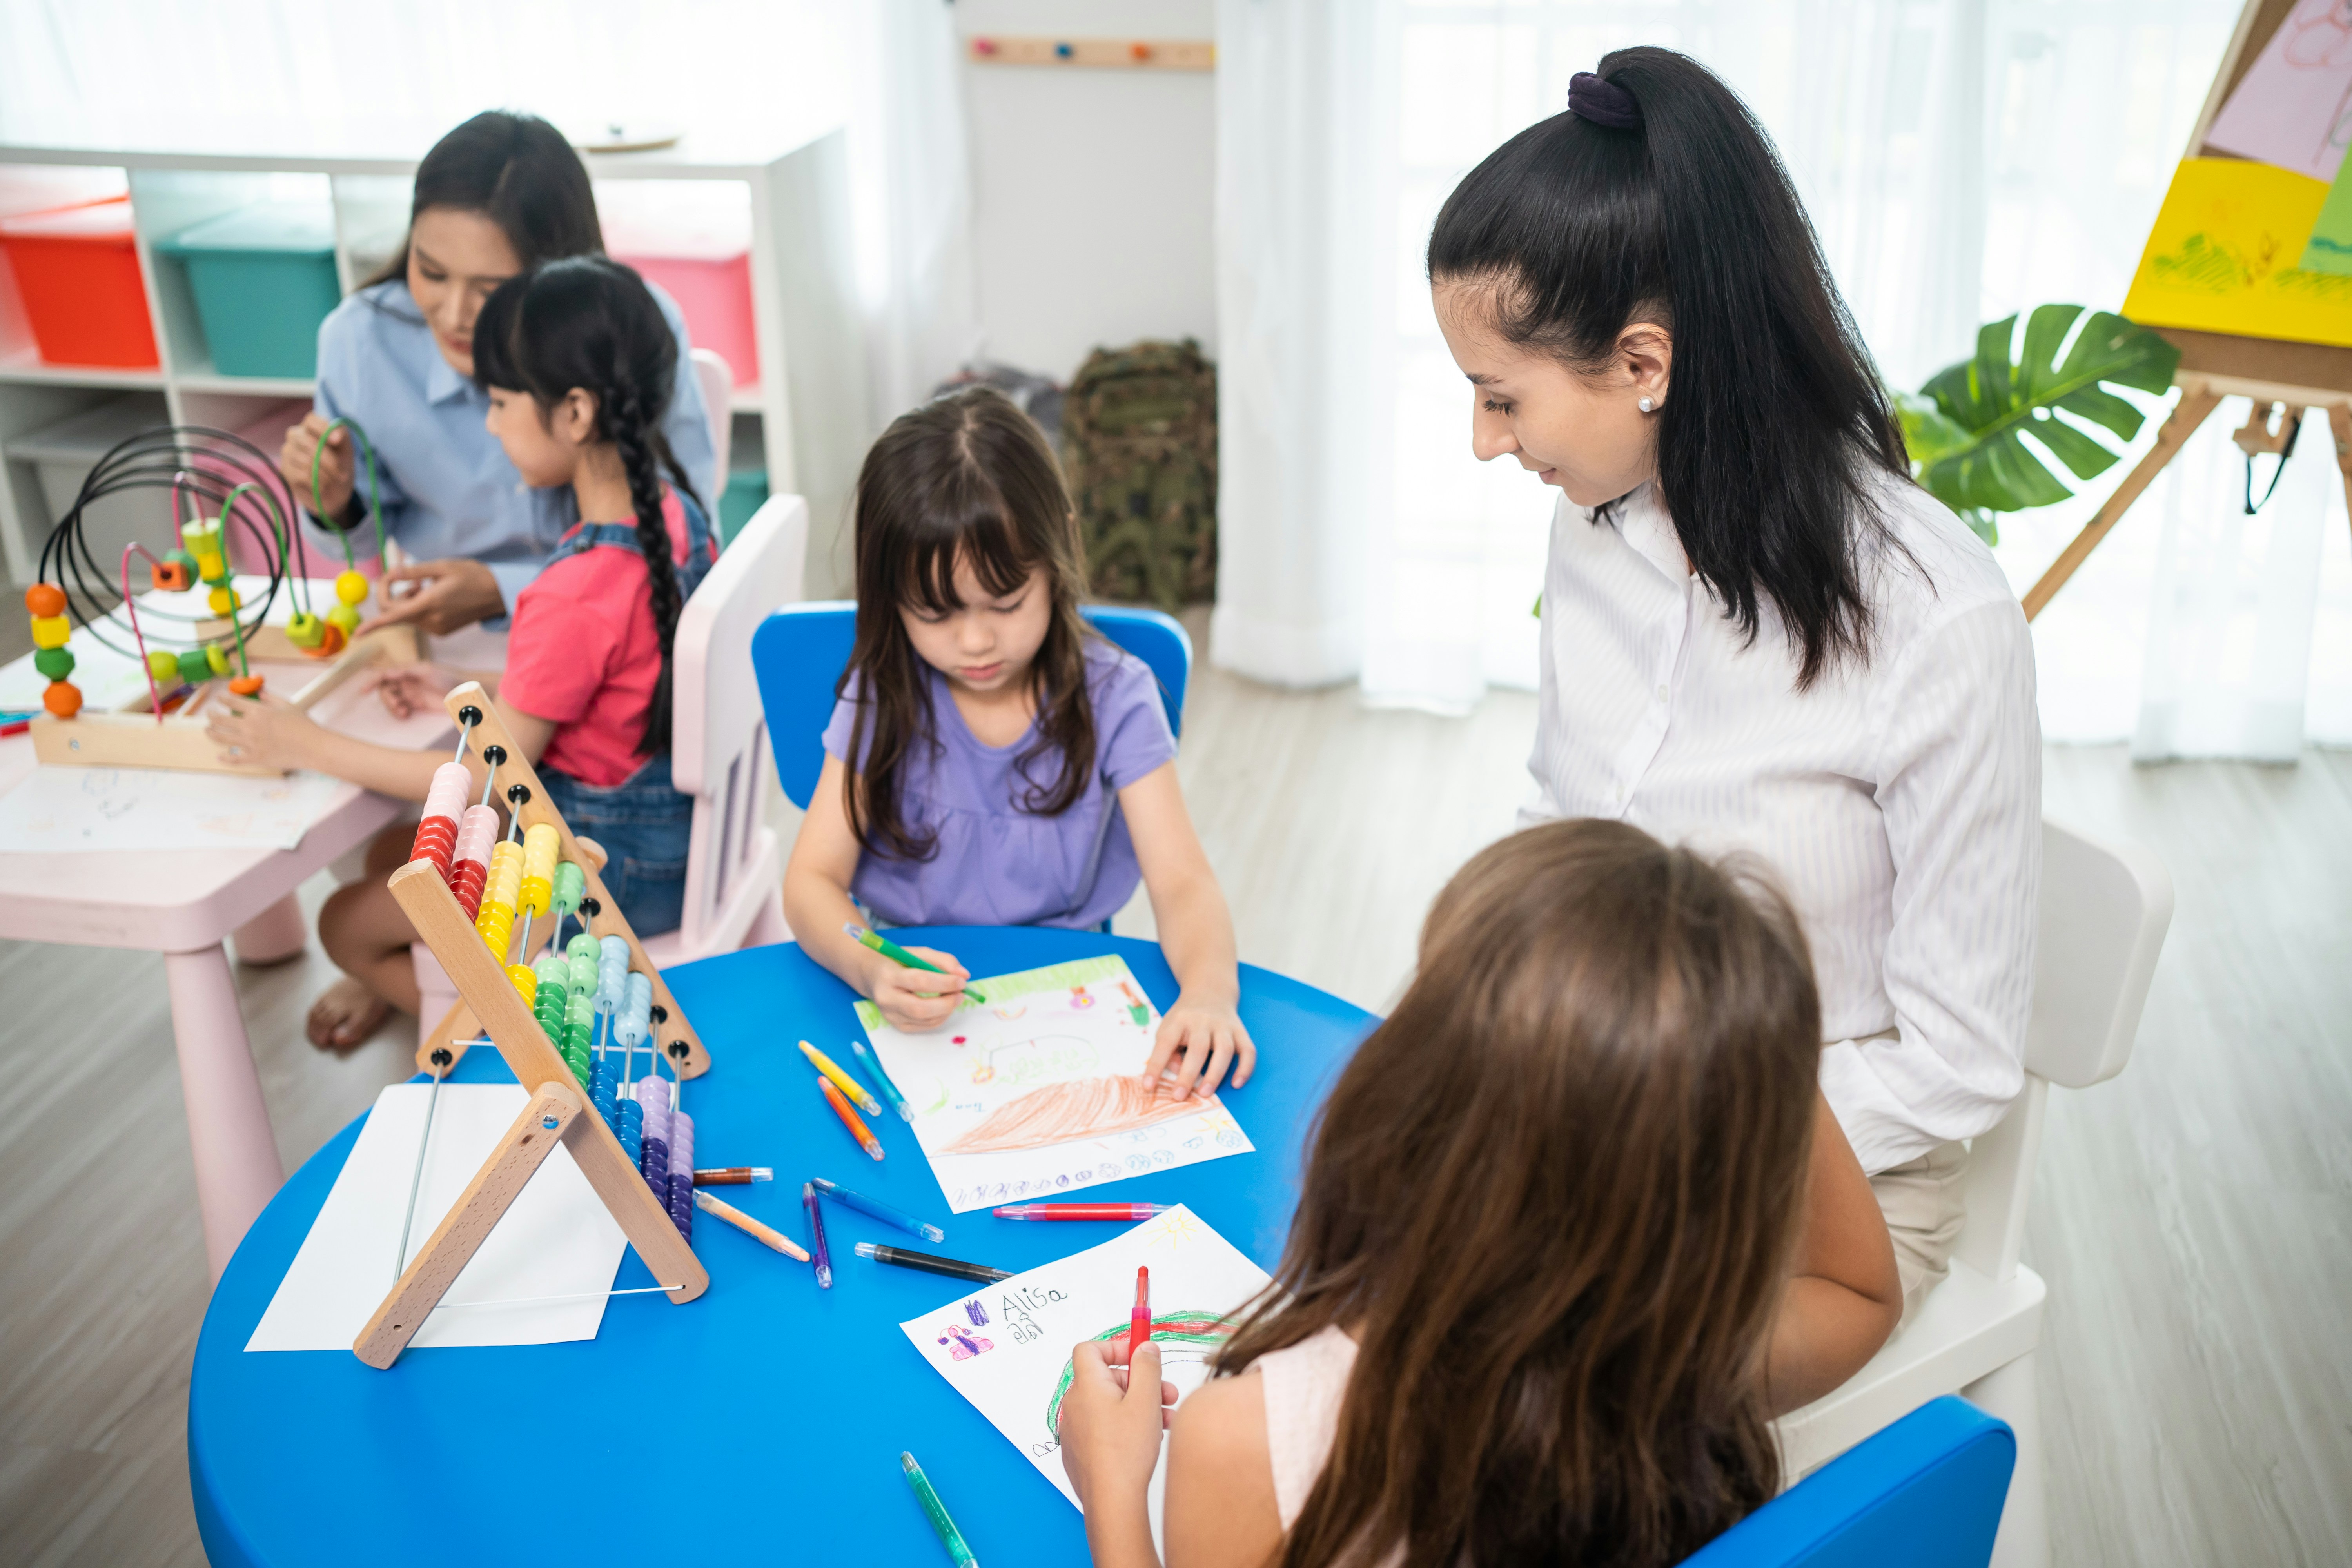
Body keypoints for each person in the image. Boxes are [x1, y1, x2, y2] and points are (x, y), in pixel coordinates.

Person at [1423, 48, 2041, 1316]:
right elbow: (1567, 826)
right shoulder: (1592, 530)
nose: (1485, 442)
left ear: (1645, 363)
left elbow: (1961, 1064)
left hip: (1824, 1191)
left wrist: (1678, 1154)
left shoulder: (1938, 622)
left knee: (1507, 1405)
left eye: (1500, 398)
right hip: (1609, 1110)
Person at [1057, 818, 1903, 1568]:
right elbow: (1862, 1291)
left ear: (1405, 1098)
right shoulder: (1681, 1357)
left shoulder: (1247, 1439)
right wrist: (1740, 1039)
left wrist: (1113, 1493)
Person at [212, 258, 716, 1042]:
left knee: (345, 922)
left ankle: (515, 1039)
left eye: (502, 400)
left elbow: (481, 778)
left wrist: (302, 740)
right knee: (388, 847)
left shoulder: (575, 588)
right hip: (668, 839)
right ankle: (472, 1004)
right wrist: (466, 680)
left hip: (603, 877)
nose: (490, 422)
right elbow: (607, 675)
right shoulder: (676, 514)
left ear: (575, 412)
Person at [781, 388, 1252, 1100]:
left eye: (1005, 604)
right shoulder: (882, 695)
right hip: (916, 1016)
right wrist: (871, 967)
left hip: (1075, 1008)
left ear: (1056, 550)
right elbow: (811, 883)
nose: (975, 642)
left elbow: (1184, 883)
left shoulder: (1116, 696)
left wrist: (1211, 996)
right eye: (934, 612)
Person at [280, 109, 715, 639]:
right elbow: (362, 544)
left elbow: (687, 549)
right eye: (432, 272)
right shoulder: (360, 340)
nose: (456, 313)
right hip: (454, 648)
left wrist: (502, 591)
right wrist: (336, 506)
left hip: (613, 632)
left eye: (491, 289)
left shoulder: (636, 327)